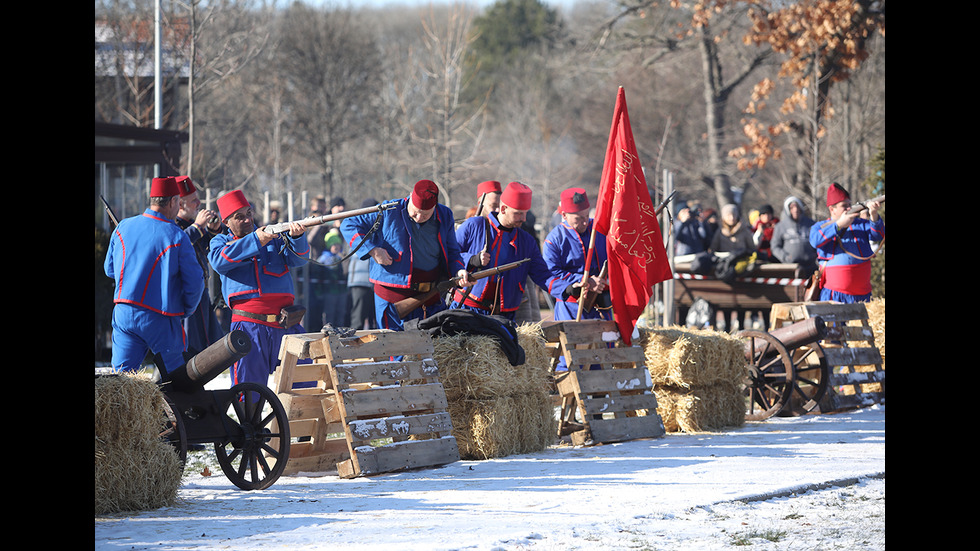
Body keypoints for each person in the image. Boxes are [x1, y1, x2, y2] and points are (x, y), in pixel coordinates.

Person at [208, 189, 311, 387]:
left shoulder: (273, 237)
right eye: (239, 217)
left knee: (305, 385)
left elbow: (299, 260)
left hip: (287, 324)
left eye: (249, 213)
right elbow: (219, 261)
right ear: (226, 222)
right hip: (249, 327)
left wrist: (297, 237)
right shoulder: (220, 241)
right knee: (248, 394)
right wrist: (257, 240)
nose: (247, 220)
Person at [339, 179, 473, 331]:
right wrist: (373, 250)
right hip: (392, 298)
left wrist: (459, 270)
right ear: (410, 196)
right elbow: (348, 224)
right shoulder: (389, 209)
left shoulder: (445, 214)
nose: (418, 217)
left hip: (430, 295)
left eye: (425, 214)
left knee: (430, 350)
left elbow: (453, 251)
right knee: (395, 349)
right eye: (415, 211)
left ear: (434, 207)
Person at [104, 176, 205, 374]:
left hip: (124, 313)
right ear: (173, 202)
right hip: (161, 317)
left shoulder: (123, 227)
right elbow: (195, 282)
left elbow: (110, 270)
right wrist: (186, 310)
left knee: (122, 382)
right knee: (177, 381)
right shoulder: (176, 235)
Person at [451, 181, 556, 320]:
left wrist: (568, 290)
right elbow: (450, 255)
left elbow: (544, 276)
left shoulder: (527, 241)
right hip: (467, 309)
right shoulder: (473, 225)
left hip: (504, 315)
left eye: (525, 213)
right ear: (503, 209)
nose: (524, 219)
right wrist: (471, 259)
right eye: (518, 213)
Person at [543, 188, 611, 369]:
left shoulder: (600, 230)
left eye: (586, 216)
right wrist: (585, 281)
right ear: (564, 215)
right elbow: (551, 272)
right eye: (577, 218)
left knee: (602, 357)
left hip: (602, 305)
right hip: (571, 305)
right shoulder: (554, 239)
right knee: (572, 358)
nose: (584, 222)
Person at [174, 176, 225, 356]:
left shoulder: (195, 226)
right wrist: (197, 227)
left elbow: (213, 246)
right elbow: (178, 246)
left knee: (207, 347)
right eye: (193, 200)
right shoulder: (173, 226)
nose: (199, 203)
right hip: (184, 295)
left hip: (201, 293)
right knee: (189, 348)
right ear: (180, 204)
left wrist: (216, 228)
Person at [809, 182, 884, 303]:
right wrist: (838, 225)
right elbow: (815, 240)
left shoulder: (860, 224)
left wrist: (874, 214)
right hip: (834, 295)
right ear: (832, 209)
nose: (849, 208)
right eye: (844, 206)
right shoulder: (821, 226)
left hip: (863, 295)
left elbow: (878, 235)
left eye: (850, 205)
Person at [347, 198, 379, 330]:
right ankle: (353, 348)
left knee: (375, 321)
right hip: (360, 282)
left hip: (374, 282)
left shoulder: (377, 228)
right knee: (358, 320)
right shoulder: (357, 228)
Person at [770, 196, 818, 277]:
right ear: (787, 210)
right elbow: (775, 246)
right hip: (790, 268)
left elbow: (818, 242)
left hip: (810, 267)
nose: (795, 210)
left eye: (797, 206)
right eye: (792, 207)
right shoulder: (780, 226)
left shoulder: (811, 224)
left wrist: (814, 255)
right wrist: (785, 257)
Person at [315, 231, 349, 330]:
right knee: (329, 314)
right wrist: (319, 292)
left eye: (338, 244)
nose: (336, 246)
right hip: (329, 291)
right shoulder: (323, 259)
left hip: (341, 291)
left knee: (341, 314)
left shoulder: (341, 257)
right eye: (334, 244)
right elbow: (318, 275)